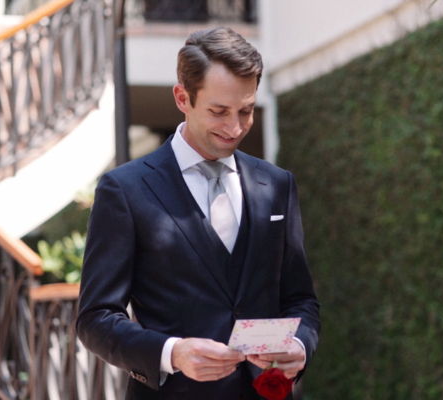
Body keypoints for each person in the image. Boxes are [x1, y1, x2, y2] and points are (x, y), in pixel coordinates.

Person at [76, 27, 320, 400]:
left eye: (246, 110)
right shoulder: (125, 190)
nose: (235, 127)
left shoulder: (278, 185)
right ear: (182, 98)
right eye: (219, 111)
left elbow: (301, 299)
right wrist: (171, 353)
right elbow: (95, 319)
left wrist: (299, 347)